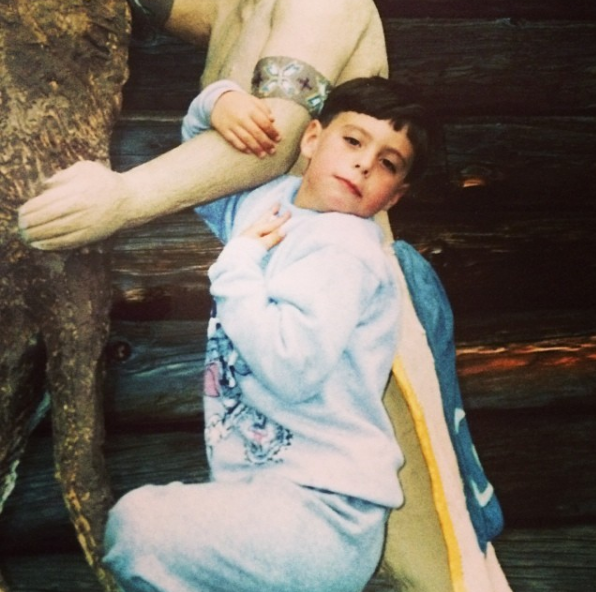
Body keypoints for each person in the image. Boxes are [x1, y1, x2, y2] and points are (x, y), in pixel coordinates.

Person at [102, 76, 432, 592]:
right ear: (312, 138)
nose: (366, 163)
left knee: (137, 528)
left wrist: (236, 266)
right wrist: (221, 104)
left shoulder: (348, 250)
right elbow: (201, 171)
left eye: (388, 163)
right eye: (353, 140)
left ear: (395, 195)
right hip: (271, 500)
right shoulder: (271, 201)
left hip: (324, 514)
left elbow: (290, 366)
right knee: (143, 533)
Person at [17, 0, 390, 250]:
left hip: (337, 280)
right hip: (269, 266)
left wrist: (125, 197)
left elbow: (275, 139)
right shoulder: (240, 7)